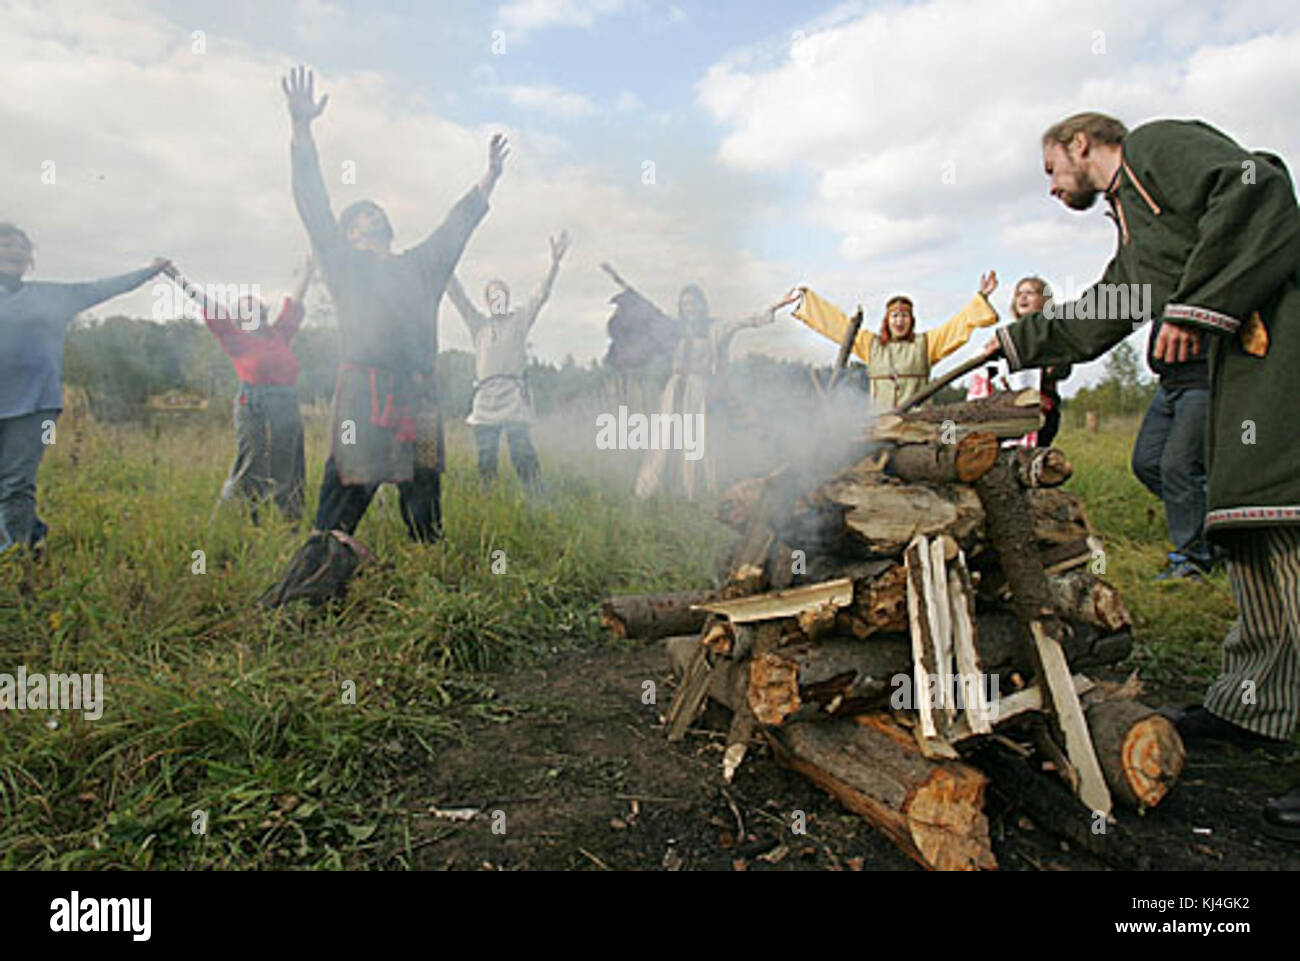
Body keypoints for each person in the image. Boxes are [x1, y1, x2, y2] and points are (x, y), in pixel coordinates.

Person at [981, 110, 1300, 837]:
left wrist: (1201, 304)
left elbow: (1261, 185)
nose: (1053, 187)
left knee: (1290, 533)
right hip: (1241, 372)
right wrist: (1017, 337)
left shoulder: (1154, 149)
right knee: (1252, 536)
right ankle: (1254, 705)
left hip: (1284, 345)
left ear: (1081, 144)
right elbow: (1104, 312)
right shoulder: (1134, 230)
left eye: (1051, 170)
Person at [281, 65, 505, 544]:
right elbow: (312, 203)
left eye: (375, 212)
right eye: (360, 215)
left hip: (421, 399)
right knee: (342, 496)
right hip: (364, 396)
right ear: (347, 235)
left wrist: (488, 178)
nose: (371, 215)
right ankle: (319, 574)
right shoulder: (343, 263)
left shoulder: (418, 266)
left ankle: (431, 573)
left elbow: (455, 229)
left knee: (425, 495)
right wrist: (301, 130)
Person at [0, 222, 168, 556]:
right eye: (6, 245)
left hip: (37, 407)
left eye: (23, 247)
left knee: (17, 482)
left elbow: (101, 287)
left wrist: (148, 272)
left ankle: (13, 560)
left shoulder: (51, 297)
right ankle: (31, 535)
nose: (16, 251)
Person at [166, 258, 314, 523]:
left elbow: (294, 304)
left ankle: (288, 522)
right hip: (253, 402)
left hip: (286, 404)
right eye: (245, 310)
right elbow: (208, 305)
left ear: (262, 313)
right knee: (251, 461)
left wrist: (308, 271)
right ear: (238, 318)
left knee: (288, 464)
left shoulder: (279, 334)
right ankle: (230, 517)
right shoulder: (235, 339)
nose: (252, 313)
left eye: (255, 308)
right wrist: (177, 279)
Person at [623, 281, 796, 500]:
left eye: (693, 303)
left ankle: (691, 491)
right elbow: (648, 317)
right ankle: (651, 487)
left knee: (694, 440)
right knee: (665, 438)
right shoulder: (674, 329)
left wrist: (779, 304)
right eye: (685, 304)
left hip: (697, 389)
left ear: (702, 305)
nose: (689, 308)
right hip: (674, 388)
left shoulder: (715, 328)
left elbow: (746, 320)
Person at [445, 231, 570, 490]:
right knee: (486, 459)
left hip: (513, 397)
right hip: (485, 399)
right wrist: (444, 265)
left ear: (507, 299)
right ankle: (489, 500)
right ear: (488, 302)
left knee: (523, 453)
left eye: (501, 295)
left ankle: (536, 496)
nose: (498, 300)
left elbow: (541, 295)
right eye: (493, 296)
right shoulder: (478, 324)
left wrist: (554, 264)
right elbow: (458, 297)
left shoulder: (519, 320)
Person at [793, 274, 1000, 411]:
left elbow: (957, 325)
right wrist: (808, 302)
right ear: (887, 320)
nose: (900, 321)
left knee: (950, 427)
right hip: (880, 422)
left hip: (918, 422)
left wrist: (981, 297)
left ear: (911, 320)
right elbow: (838, 325)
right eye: (895, 316)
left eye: (904, 316)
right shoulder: (871, 345)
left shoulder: (926, 344)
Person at [1007, 276, 1071, 448]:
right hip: (1010, 408)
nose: (1022, 297)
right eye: (1019, 293)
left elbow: (1064, 368)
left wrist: (1052, 367)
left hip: (1042, 409)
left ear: (1044, 300)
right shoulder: (1009, 334)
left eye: (1029, 293)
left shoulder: (1052, 331)